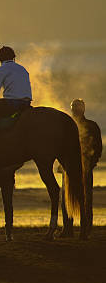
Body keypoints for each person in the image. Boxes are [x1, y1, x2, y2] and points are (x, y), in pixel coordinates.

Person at [60, 98, 102, 229]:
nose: (75, 109)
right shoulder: (66, 125)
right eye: (73, 106)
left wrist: (91, 163)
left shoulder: (91, 126)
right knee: (66, 199)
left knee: (86, 199)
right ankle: (67, 229)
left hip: (85, 167)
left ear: (83, 108)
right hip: (67, 167)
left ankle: (86, 228)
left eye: (78, 106)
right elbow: (59, 147)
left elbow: (98, 148)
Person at [0, 46, 32, 116]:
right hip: (27, 103)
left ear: (0, 59)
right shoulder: (23, 69)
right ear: (13, 57)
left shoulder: (2, 69)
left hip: (12, 103)